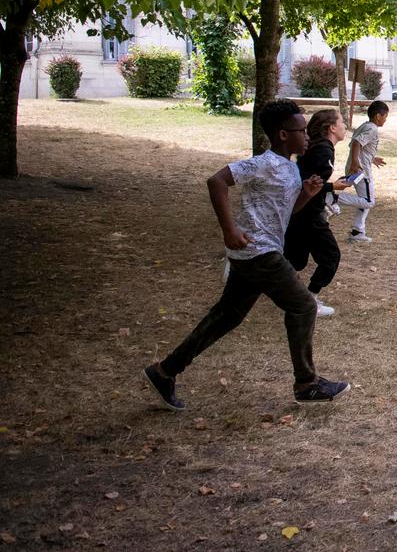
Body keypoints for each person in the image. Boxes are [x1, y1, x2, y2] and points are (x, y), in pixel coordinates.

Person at [143, 99, 350, 410]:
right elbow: (217, 181)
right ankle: (306, 384)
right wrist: (229, 230)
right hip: (257, 251)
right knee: (304, 306)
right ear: (283, 135)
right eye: (302, 131)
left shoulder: (292, 168)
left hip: (258, 250)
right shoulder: (262, 163)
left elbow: (285, 212)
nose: (308, 136)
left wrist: (306, 194)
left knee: (226, 317)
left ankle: (164, 371)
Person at [285, 109, 357, 317]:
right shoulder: (323, 151)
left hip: (301, 212)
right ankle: (309, 301)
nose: (345, 126)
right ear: (332, 128)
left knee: (295, 260)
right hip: (307, 214)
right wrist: (332, 187)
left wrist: (331, 188)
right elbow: (305, 183)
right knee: (330, 257)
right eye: (342, 122)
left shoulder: (320, 148)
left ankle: (246, 272)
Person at [343, 100, 388, 244]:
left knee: (366, 199)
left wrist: (372, 159)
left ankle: (357, 231)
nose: (386, 119)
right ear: (378, 116)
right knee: (368, 201)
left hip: (357, 168)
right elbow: (356, 143)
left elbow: (359, 145)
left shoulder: (365, 126)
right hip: (360, 171)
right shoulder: (372, 128)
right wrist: (356, 162)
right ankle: (334, 197)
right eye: (385, 116)